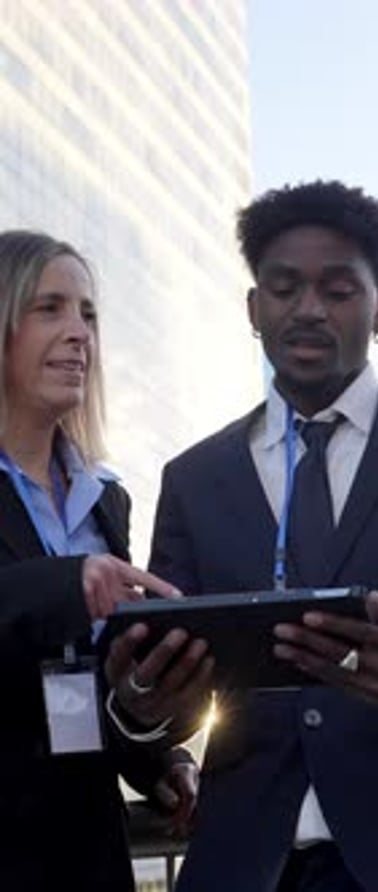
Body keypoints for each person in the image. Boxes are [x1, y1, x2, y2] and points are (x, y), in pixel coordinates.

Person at [148, 180, 378, 892]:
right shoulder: (192, 478)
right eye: (283, 288)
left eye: (338, 290)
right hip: (243, 866)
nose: (308, 309)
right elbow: (164, 679)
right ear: (254, 309)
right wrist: (142, 696)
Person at [0, 230, 209, 891]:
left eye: (88, 314)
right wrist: (67, 582)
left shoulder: (104, 503)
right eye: (50, 308)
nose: (79, 333)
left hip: (87, 854)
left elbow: (89, 694)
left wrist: (159, 761)